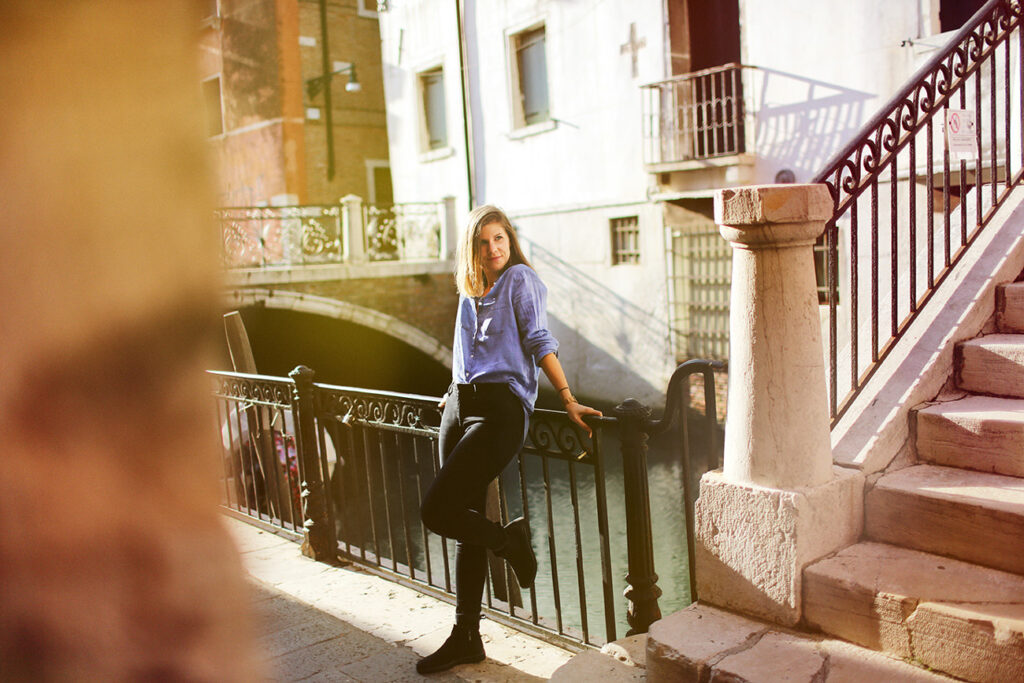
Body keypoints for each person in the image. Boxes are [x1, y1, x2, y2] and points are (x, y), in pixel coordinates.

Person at [416, 205, 602, 674]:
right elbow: (468, 349)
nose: (494, 248)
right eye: (484, 242)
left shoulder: (521, 280)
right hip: (460, 404)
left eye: (500, 238)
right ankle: (466, 637)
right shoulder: (469, 291)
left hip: (500, 408)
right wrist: (452, 391)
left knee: (436, 511)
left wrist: (567, 398)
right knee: (463, 521)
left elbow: (539, 339)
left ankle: (510, 542)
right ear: (472, 250)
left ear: (510, 240)